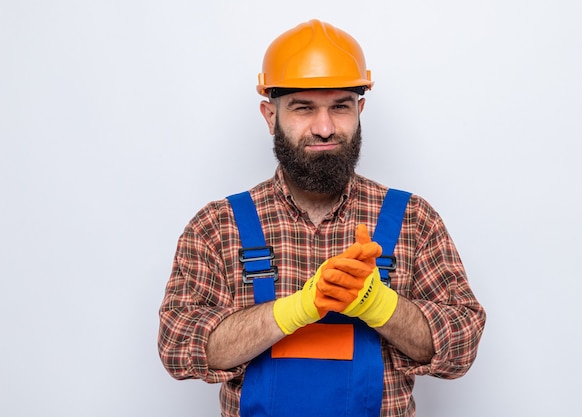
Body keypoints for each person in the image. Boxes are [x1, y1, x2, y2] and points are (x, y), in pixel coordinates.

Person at [158, 19, 486, 417]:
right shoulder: (218, 226)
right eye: (304, 108)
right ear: (269, 115)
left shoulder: (412, 220)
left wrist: (381, 305)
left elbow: (464, 343)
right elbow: (177, 345)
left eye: (340, 107)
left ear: (360, 109)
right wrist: (295, 309)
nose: (325, 127)